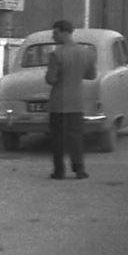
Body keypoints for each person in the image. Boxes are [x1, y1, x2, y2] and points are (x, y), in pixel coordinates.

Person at [45, 19, 97, 180]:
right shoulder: (86, 53)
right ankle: (79, 169)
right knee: (76, 137)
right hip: (76, 102)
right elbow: (91, 75)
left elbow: (51, 79)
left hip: (58, 103)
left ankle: (59, 171)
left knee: (58, 139)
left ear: (64, 32)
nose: (54, 37)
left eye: (56, 33)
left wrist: (54, 73)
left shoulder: (56, 54)